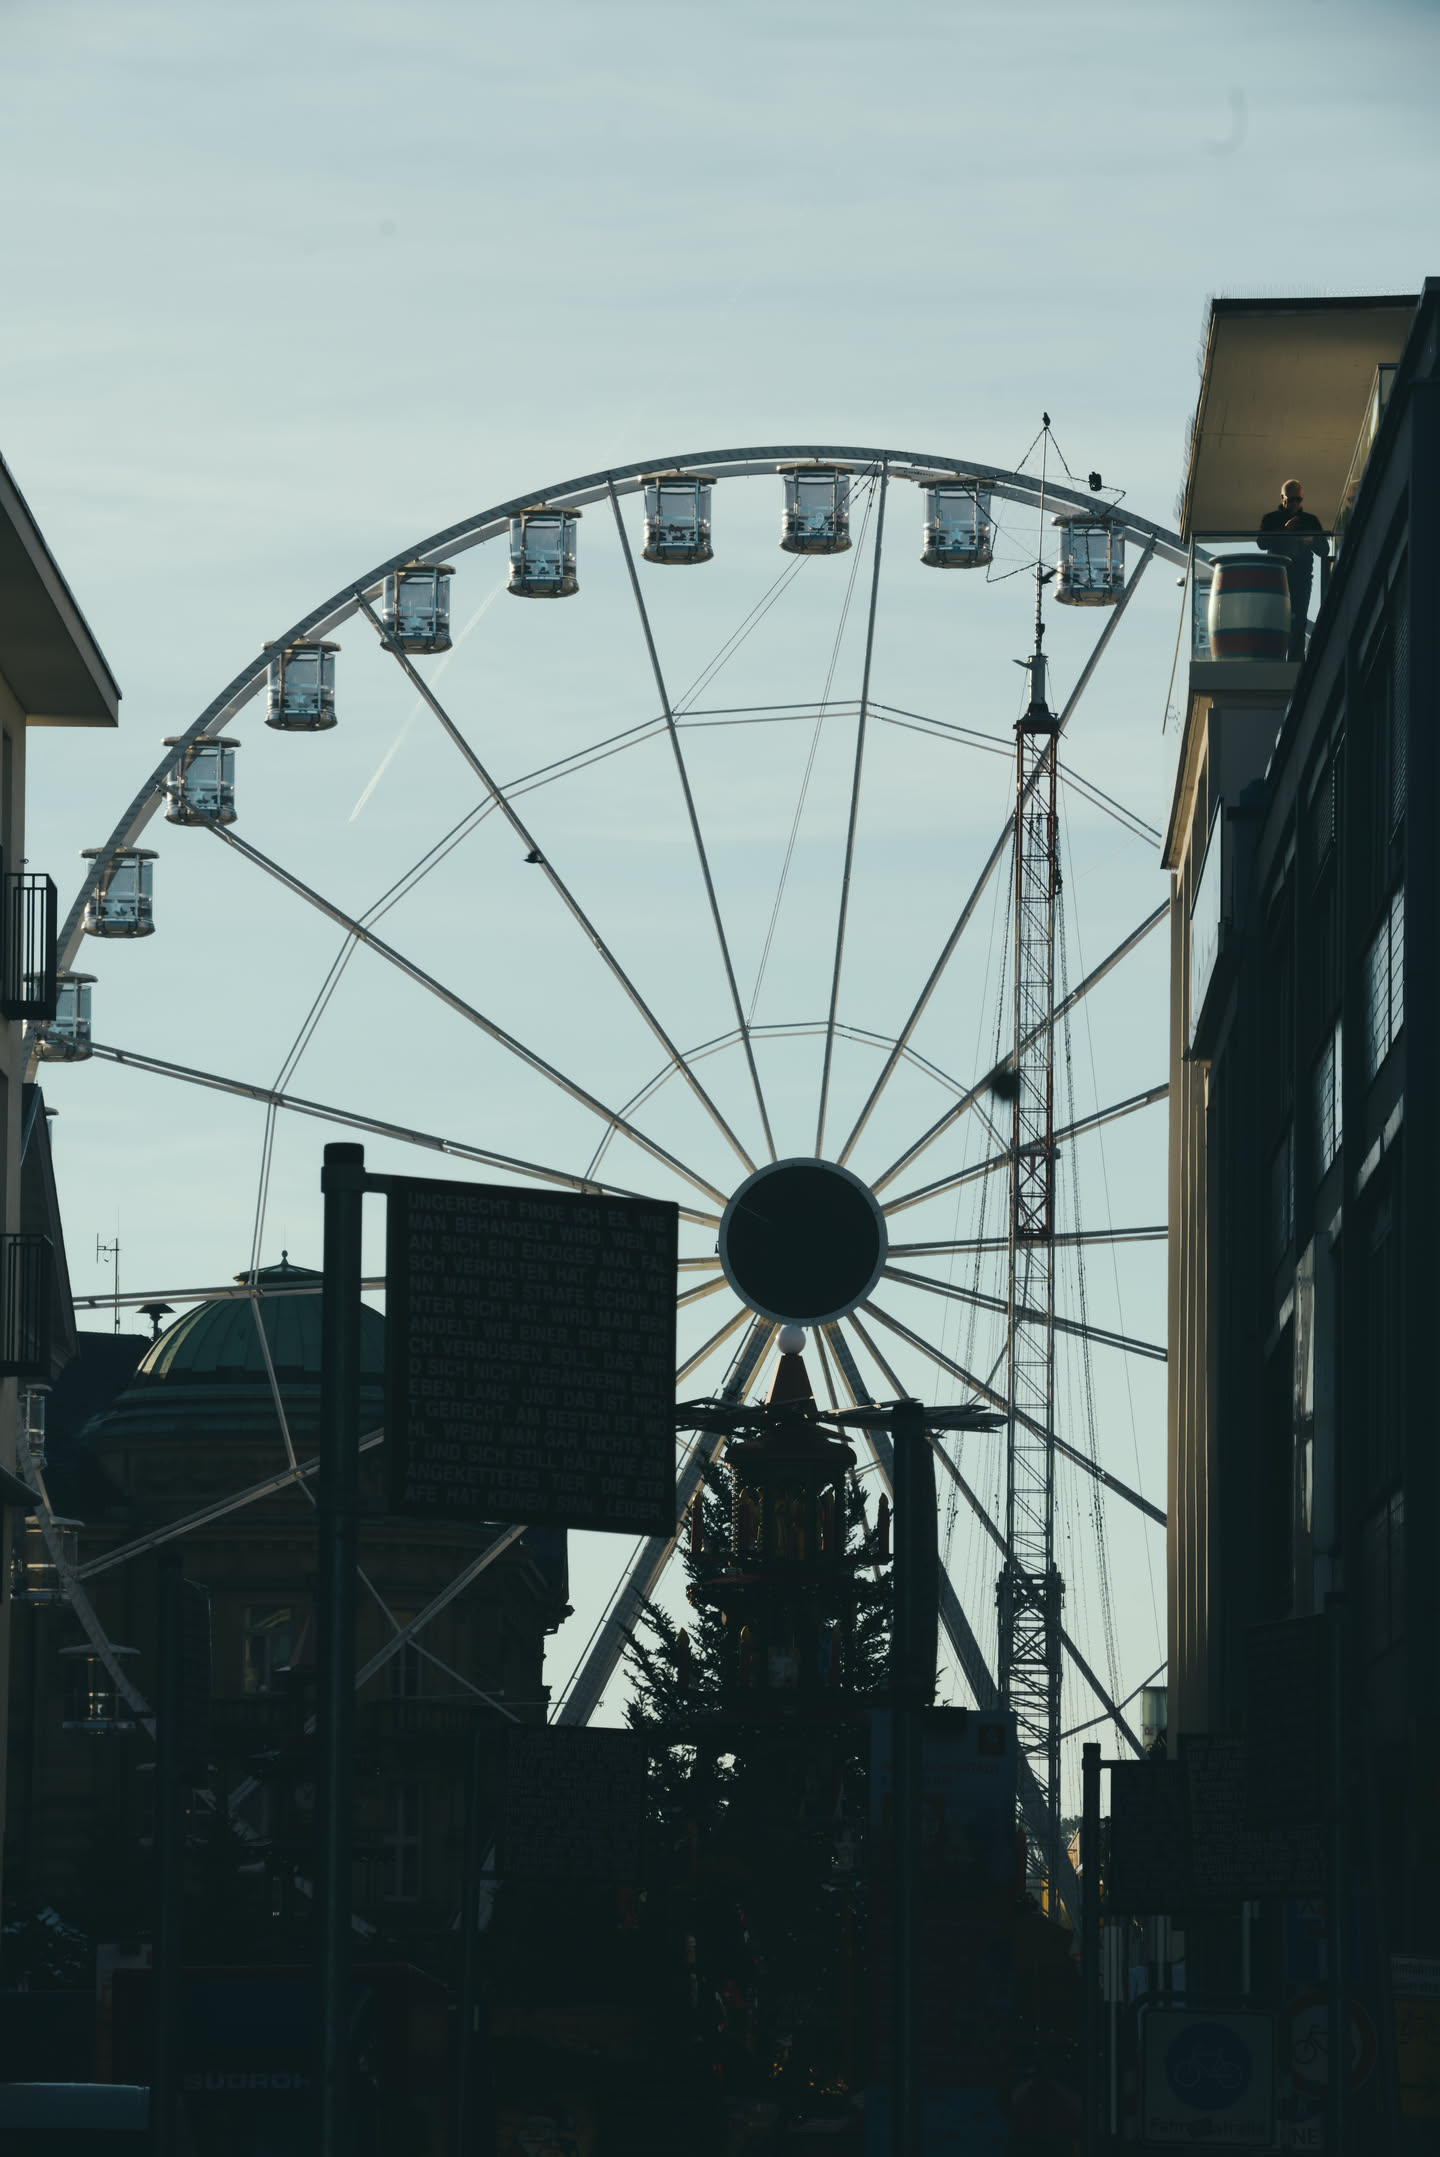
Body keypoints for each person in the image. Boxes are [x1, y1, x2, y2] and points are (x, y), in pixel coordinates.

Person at [1259, 479, 1329, 661]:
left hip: (1301, 578)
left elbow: (1325, 551)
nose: (1295, 504)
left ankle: (1296, 666)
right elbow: (1262, 542)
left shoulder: (1310, 521)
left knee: (1299, 623)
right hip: (1277, 578)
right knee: (1278, 621)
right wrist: (1283, 530)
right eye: (1291, 500)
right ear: (1282, 498)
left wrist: (1311, 539)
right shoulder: (1271, 519)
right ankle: (1277, 661)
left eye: (1298, 500)